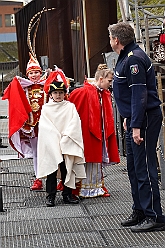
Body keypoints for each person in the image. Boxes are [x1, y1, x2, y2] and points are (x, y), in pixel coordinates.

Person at [108, 22, 165, 232]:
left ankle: (154, 215)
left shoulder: (134, 60)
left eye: (111, 37)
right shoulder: (126, 57)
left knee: (145, 167)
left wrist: (137, 126)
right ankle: (140, 209)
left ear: (117, 40)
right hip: (135, 118)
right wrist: (128, 118)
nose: (110, 40)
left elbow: (139, 95)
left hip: (145, 119)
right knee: (133, 167)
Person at [69, 64, 120, 198]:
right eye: (109, 81)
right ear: (101, 79)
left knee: (96, 161)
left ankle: (96, 187)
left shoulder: (103, 93)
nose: (110, 83)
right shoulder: (82, 92)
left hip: (100, 133)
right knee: (85, 160)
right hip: (85, 133)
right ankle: (80, 189)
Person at [36, 72, 86, 207]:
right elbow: (46, 127)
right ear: (51, 94)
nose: (58, 95)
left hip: (66, 142)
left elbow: (74, 123)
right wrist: (55, 139)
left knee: (67, 168)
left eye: (61, 93)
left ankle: (67, 194)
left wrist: (65, 138)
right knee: (51, 169)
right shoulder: (46, 109)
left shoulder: (70, 107)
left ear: (65, 94)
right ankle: (50, 196)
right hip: (51, 143)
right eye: (55, 93)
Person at [2, 53, 47, 190]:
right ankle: (38, 177)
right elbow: (11, 94)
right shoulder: (24, 87)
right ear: (27, 74)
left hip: (46, 125)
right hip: (32, 126)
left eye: (36, 72)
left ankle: (56, 178)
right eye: (31, 72)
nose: (34, 75)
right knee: (36, 153)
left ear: (41, 73)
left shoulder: (47, 85)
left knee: (51, 152)